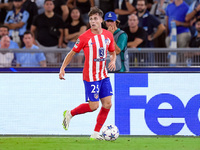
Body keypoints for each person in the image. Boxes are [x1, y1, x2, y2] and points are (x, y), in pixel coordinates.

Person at [59, 6, 116, 140]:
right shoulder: (84, 37)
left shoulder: (108, 35)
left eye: (95, 19)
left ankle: (95, 133)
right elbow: (72, 53)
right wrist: (62, 68)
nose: (93, 21)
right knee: (94, 106)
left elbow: (113, 52)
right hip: (91, 77)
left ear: (101, 20)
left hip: (103, 75)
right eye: (91, 19)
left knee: (108, 104)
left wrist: (113, 61)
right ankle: (70, 113)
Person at [31, 0, 64, 65]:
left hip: (53, 46)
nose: (49, 6)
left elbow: (61, 33)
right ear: (44, 6)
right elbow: (32, 30)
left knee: (53, 66)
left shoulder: (59, 18)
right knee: (40, 65)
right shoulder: (37, 17)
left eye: (50, 4)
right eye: (47, 4)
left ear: (53, 6)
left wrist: (59, 46)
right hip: (40, 45)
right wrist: (34, 42)